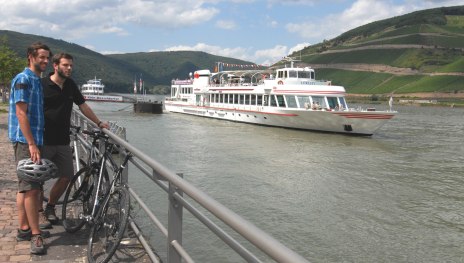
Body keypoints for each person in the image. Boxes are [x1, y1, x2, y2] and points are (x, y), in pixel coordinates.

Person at [40, 52, 109, 225]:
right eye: (65, 65)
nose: (69, 68)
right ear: (55, 66)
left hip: (63, 140)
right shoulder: (42, 85)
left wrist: (99, 122)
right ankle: (38, 212)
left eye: (71, 65)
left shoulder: (70, 85)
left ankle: (50, 206)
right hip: (43, 140)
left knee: (66, 176)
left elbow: (83, 106)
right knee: (38, 179)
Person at [8, 42, 52, 255]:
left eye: (47, 58)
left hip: (34, 139)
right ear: (30, 56)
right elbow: (21, 113)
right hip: (26, 141)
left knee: (24, 186)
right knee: (32, 188)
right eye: (41, 57)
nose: (45, 61)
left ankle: (24, 228)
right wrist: (32, 144)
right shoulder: (23, 79)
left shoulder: (36, 80)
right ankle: (36, 235)